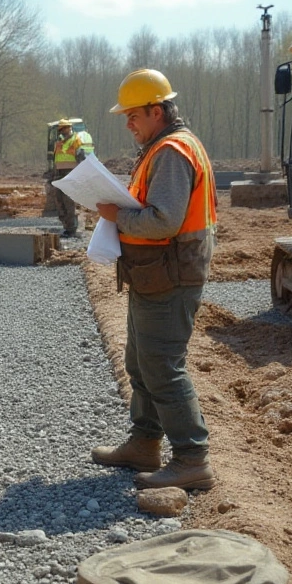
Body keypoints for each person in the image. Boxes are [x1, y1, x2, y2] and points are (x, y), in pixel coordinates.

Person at [91, 68, 217, 491]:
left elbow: (163, 221)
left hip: (171, 274)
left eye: (133, 115)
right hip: (154, 275)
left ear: (157, 111)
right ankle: (145, 443)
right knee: (140, 363)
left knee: (162, 366)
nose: (128, 123)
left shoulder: (172, 153)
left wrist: (116, 215)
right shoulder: (161, 148)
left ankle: (192, 459)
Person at [51, 118, 94, 237]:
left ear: (69, 128)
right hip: (58, 175)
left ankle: (72, 229)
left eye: (64, 129)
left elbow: (81, 158)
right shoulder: (59, 142)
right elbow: (56, 159)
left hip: (70, 174)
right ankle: (66, 226)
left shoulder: (76, 141)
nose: (62, 131)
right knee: (59, 202)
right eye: (61, 129)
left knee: (68, 202)